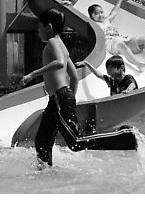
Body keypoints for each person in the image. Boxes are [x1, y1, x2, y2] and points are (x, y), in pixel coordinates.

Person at [19, 9, 138, 168]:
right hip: (60, 98)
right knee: (42, 140)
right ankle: (44, 170)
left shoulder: (53, 43)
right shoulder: (62, 45)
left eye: (39, 27)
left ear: (48, 27)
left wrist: (32, 74)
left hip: (59, 97)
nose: (38, 31)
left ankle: (125, 136)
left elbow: (60, 62)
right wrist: (70, 98)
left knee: (76, 142)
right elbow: (74, 77)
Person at [88, 0, 145, 72]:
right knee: (121, 44)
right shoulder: (94, 25)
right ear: (91, 16)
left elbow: (114, 12)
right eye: (96, 14)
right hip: (111, 44)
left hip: (122, 39)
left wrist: (120, 0)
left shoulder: (107, 20)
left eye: (101, 12)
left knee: (143, 40)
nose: (100, 15)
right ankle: (138, 64)